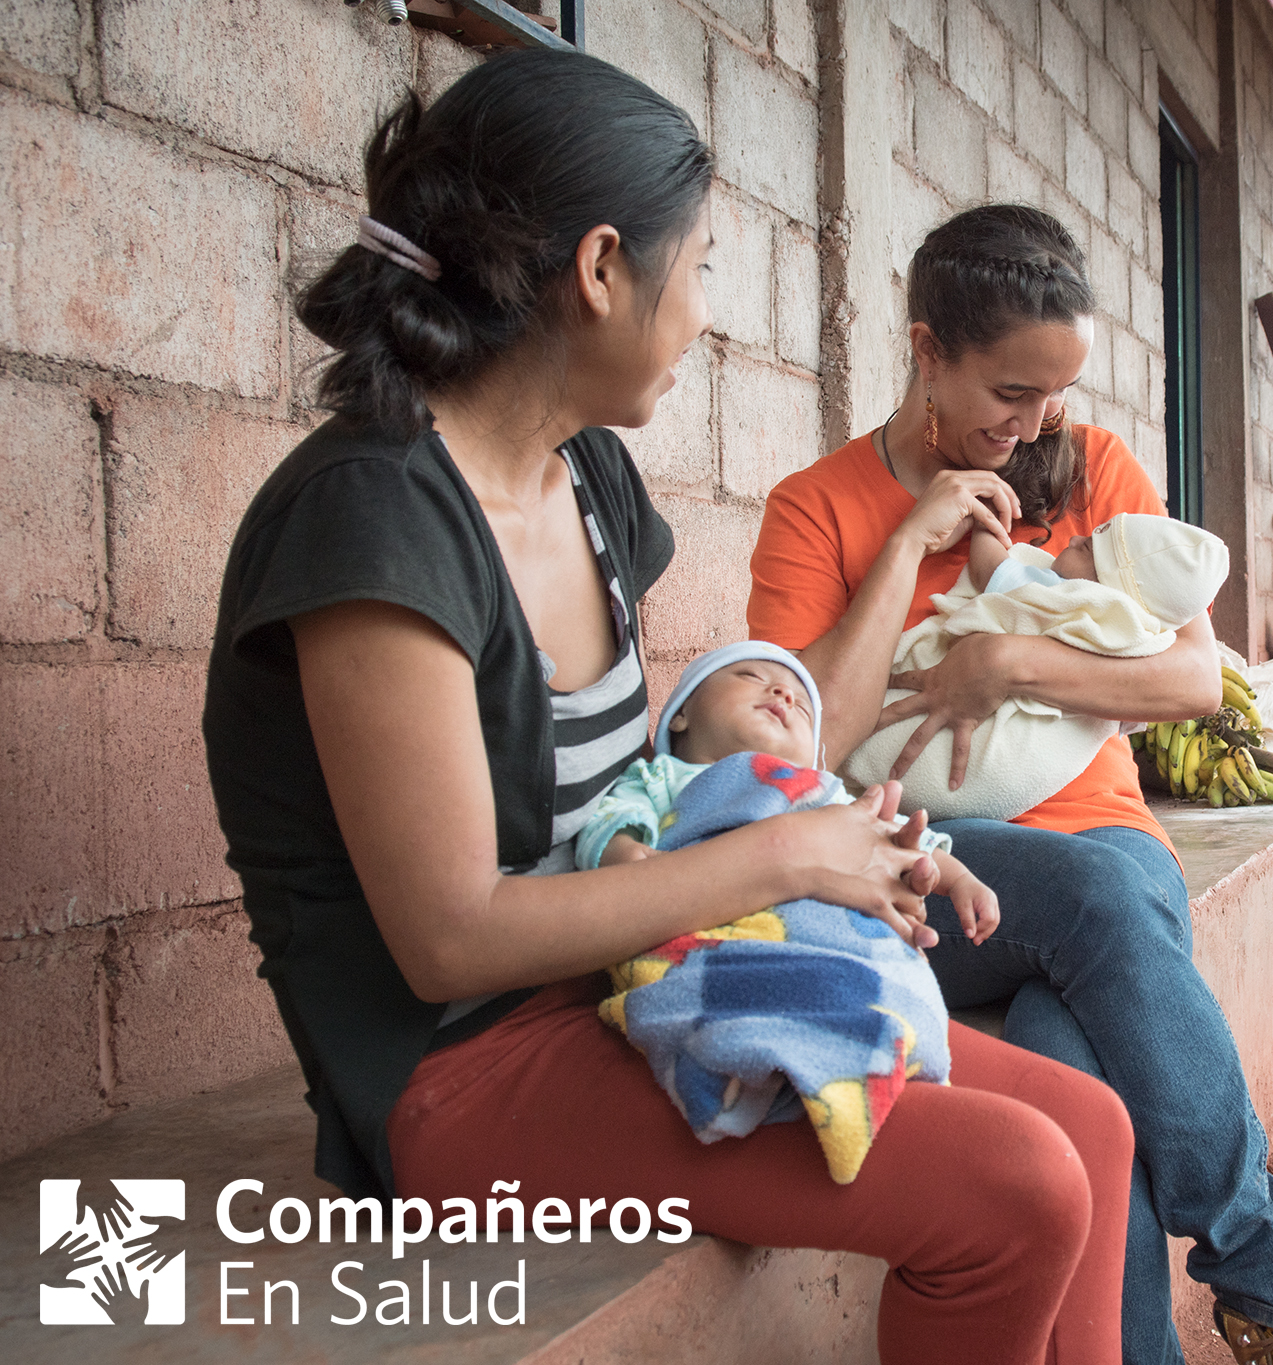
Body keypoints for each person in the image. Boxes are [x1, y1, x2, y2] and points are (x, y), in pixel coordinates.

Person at [201, 53, 1128, 1364]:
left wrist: (820, 825)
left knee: (1088, 1125)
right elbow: (450, 944)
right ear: (598, 271)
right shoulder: (375, 518)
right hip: (459, 1071)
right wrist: (786, 855)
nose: (703, 317)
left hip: (634, 980)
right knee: (1017, 1185)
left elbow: (682, 773)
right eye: (695, 270)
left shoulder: (587, 481)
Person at [748, 204, 1273, 1365]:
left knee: (1076, 1090)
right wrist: (907, 545)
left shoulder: (1088, 470)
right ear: (927, 349)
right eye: (1009, 395)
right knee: (1085, 905)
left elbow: (1188, 680)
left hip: (1109, 858)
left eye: (1055, 395)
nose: (1036, 424)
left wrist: (1007, 659)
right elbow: (796, 750)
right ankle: (1269, 1271)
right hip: (913, 871)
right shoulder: (813, 510)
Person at [573, 641, 998, 1184]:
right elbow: (611, 822)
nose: (782, 694)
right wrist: (627, 855)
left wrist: (959, 879)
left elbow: (904, 840)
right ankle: (742, 1062)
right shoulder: (661, 780)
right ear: (679, 714)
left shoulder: (826, 797)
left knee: (871, 971)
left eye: (801, 704)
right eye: (751, 676)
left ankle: (862, 1052)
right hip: (722, 927)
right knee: (718, 979)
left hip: (823, 937)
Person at [842, 512, 1231, 822]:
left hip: (1048, 788)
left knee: (869, 739)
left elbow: (987, 568)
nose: (1076, 538)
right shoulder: (1140, 638)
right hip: (1028, 796)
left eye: (1090, 549)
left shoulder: (1061, 597)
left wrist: (986, 521)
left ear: (1109, 587)